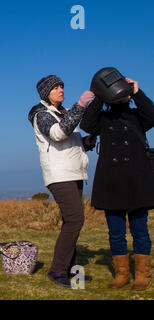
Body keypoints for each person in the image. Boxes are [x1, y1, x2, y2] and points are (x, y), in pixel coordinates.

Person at [80, 77, 154, 291]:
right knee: (115, 231)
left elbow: (152, 115)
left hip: (136, 179)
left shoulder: (136, 116)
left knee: (140, 229)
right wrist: (98, 95)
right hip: (111, 180)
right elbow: (87, 124)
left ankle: (141, 274)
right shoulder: (103, 118)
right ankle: (121, 274)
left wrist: (137, 92)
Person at [27, 75, 96, 287]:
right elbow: (57, 134)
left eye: (62, 86)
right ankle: (57, 271)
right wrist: (81, 105)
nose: (61, 90)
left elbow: (68, 142)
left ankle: (73, 272)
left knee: (71, 222)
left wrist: (85, 141)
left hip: (74, 172)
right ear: (45, 93)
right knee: (75, 220)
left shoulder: (63, 113)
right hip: (60, 175)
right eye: (56, 87)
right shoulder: (41, 114)